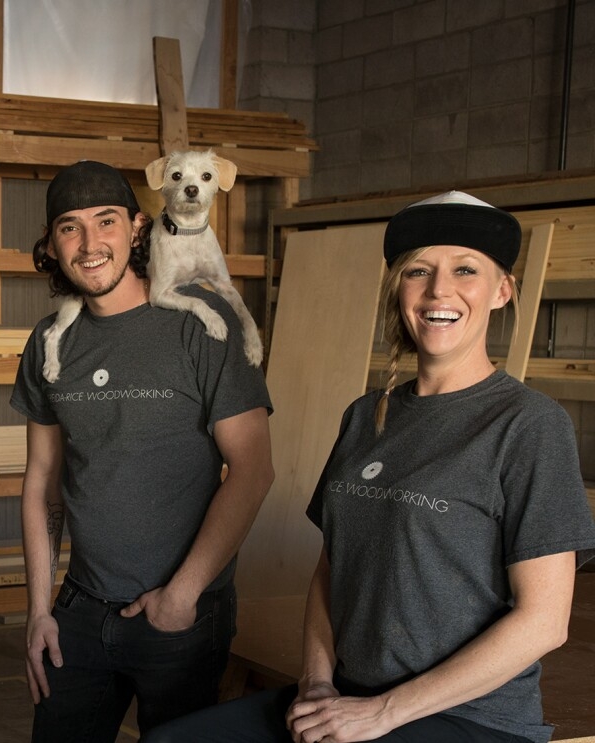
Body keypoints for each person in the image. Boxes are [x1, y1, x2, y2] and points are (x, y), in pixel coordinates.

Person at [145, 191, 595, 743]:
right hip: (349, 697)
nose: (438, 291)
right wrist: (315, 683)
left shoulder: (528, 425)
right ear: (398, 289)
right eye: (419, 271)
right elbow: (331, 572)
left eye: (466, 270)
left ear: (503, 291)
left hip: (468, 717)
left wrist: (382, 713)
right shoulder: (365, 417)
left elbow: (544, 622)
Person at [12, 159, 274, 741]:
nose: (89, 243)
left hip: (183, 615)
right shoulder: (50, 341)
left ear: (136, 228)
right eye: (69, 228)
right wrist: (38, 610)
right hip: (79, 610)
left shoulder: (201, 325)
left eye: (105, 222)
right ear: (52, 246)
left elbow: (254, 470)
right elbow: (42, 482)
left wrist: (181, 596)